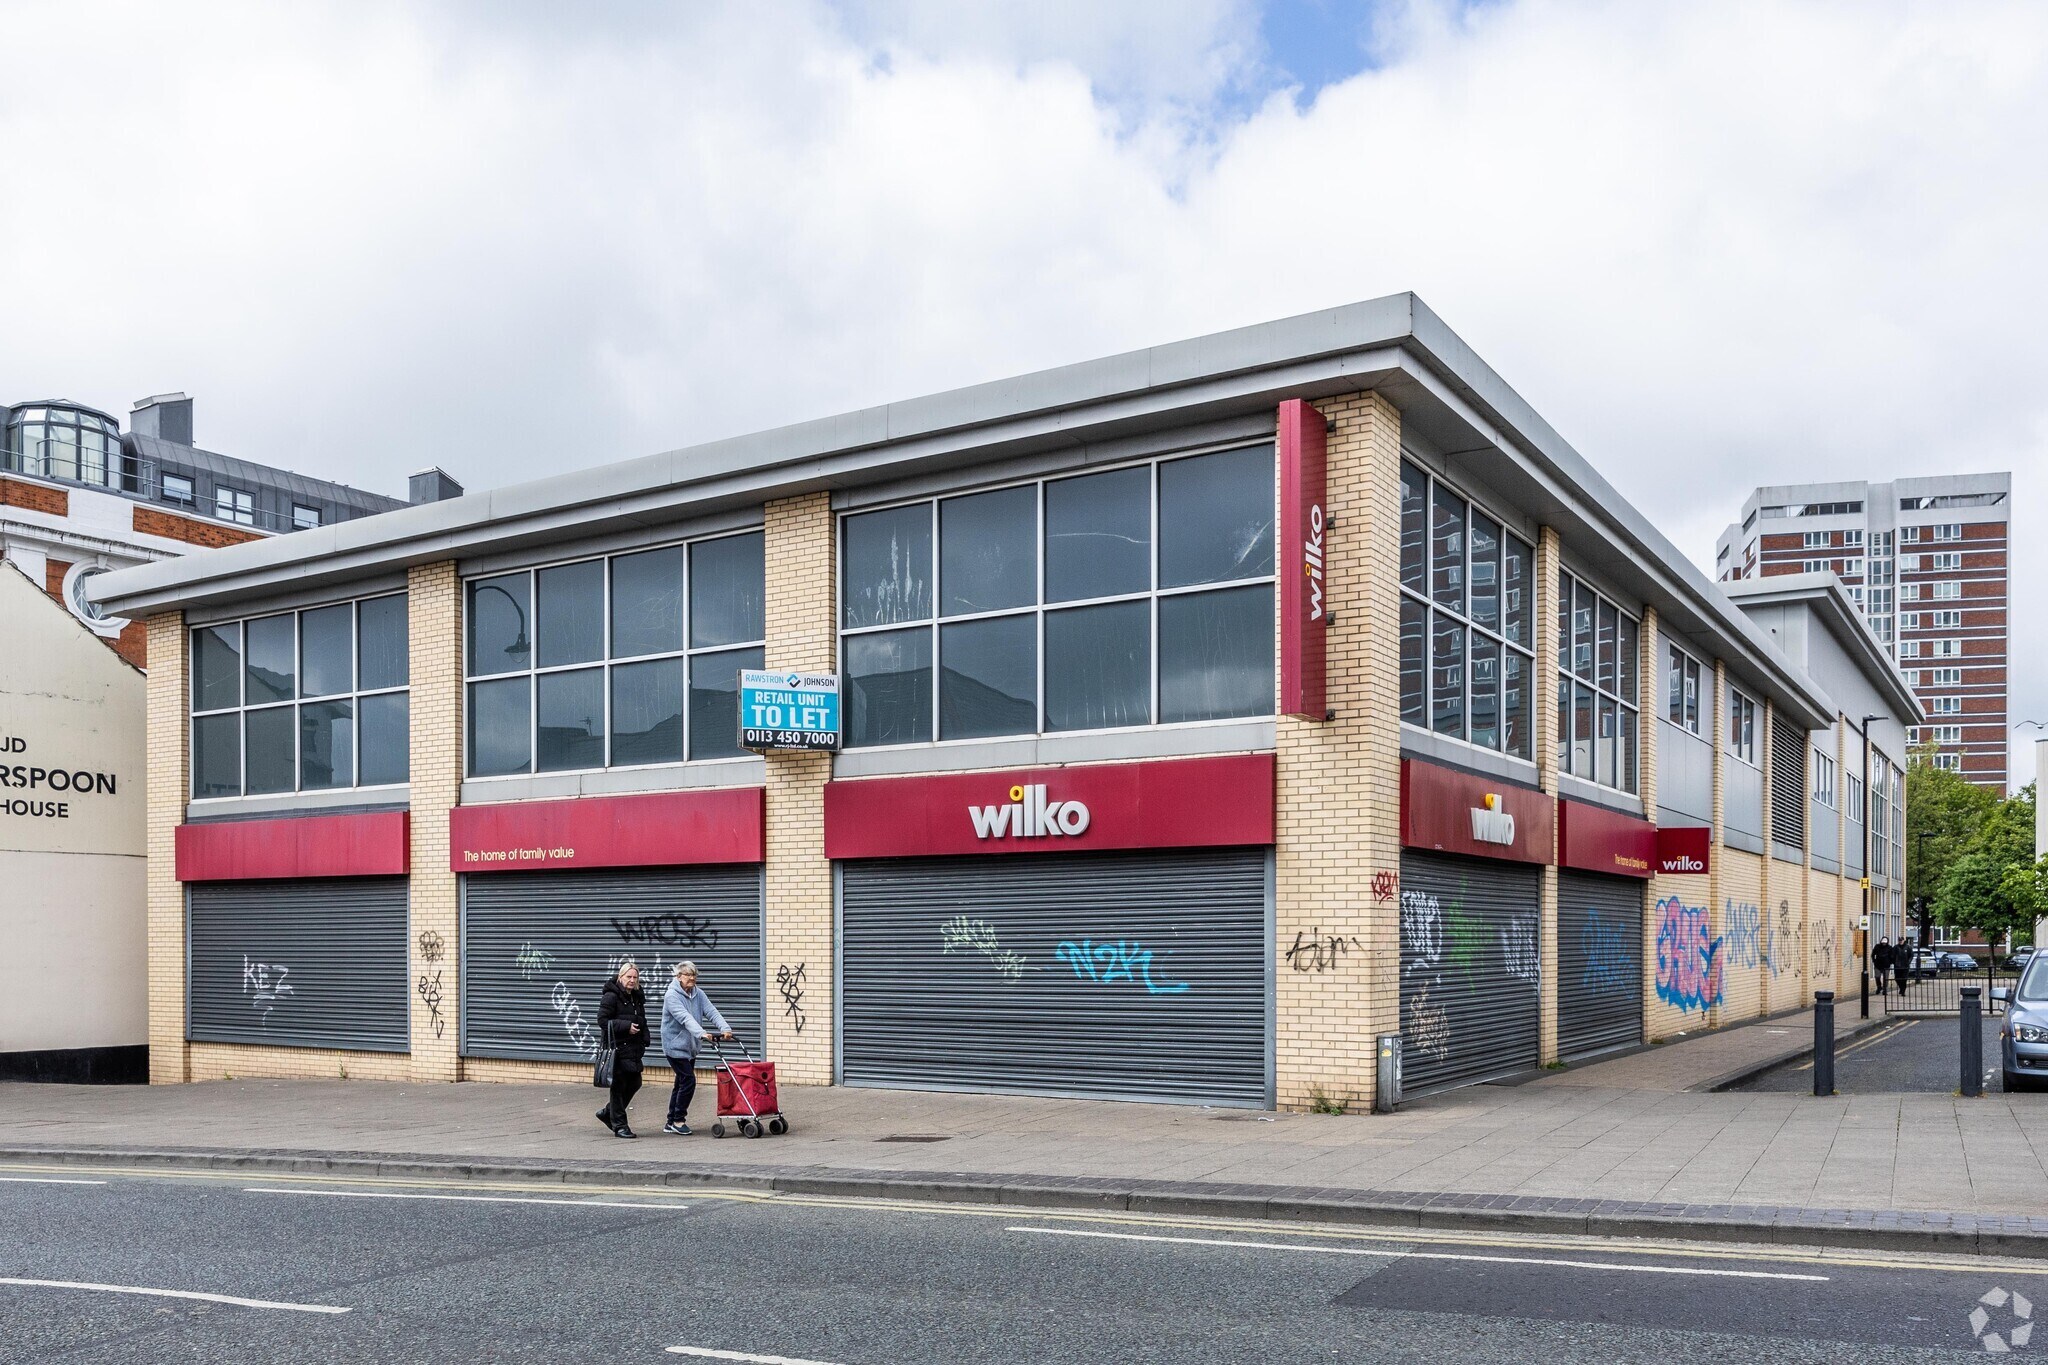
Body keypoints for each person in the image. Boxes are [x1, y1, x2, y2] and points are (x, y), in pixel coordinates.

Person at [660, 959, 732, 1136]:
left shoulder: (698, 993)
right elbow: (685, 1018)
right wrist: (702, 1033)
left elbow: (711, 1011)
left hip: (690, 1047)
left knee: (681, 1082)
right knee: (689, 1081)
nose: (692, 978)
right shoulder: (672, 996)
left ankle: (670, 1122)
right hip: (674, 1046)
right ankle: (678, 1120)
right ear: (679, 976)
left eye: (694, 975)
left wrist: (725, 1028)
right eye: (688, 975)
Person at [595, 961, 649, 1139]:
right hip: (617, 1048)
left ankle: (608, 1113)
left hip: (633, 1048)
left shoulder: (636, 997)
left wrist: (645, 1037)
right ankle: (620, 1126)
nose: (632, 980)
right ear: (621, 977)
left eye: (635, 977)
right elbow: (603, 1021)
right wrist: (626, 1026)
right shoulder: (611, 996)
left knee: (635, 1082)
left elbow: (642, 1019)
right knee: (618, 1086)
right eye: (629, 977)